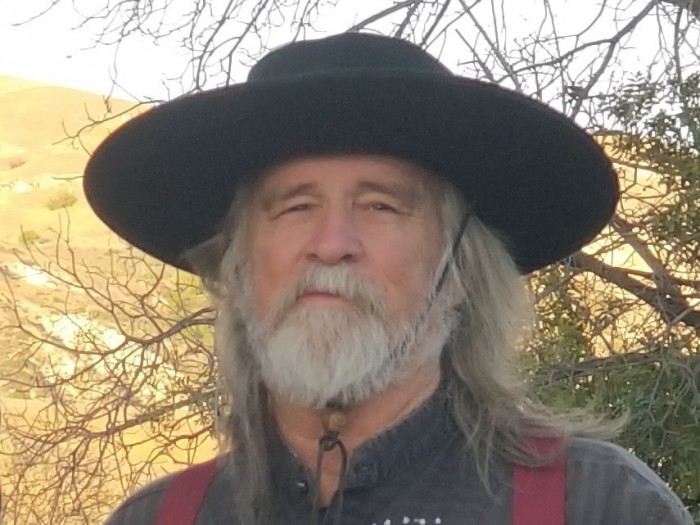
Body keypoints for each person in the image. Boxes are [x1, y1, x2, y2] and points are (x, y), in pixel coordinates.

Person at [84, 33, 693, 525]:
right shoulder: (158, 518)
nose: (331, 245)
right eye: (295, 207)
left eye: (381, 206)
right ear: (237, 268)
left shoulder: (600, 507)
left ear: (460, 271)